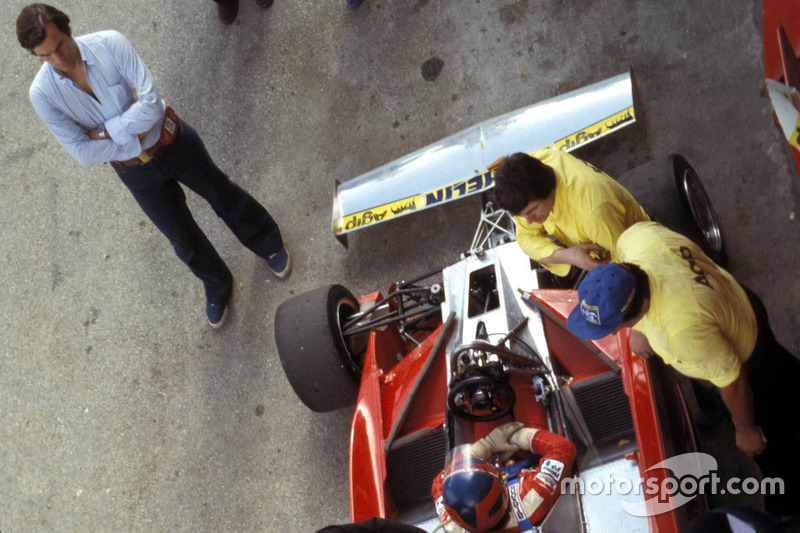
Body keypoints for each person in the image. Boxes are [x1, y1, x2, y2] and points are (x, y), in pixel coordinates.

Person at [17, 4, 290, 329]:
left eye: (59, 45)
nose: (58, 59)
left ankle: (267, 241)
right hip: (134, 172)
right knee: (181, 237)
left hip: (172, 142)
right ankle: (217, 284)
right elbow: (82, 154)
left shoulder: (110, 44)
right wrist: (129, 126)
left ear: (68, 30)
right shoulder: (43, 94)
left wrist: (103, 131)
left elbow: (150, 105)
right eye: (45, 55)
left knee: (222, 194)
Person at [566, 221, 800, 520]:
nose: (613, 334)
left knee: (770, 436)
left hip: (747, 355)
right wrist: (640, 328)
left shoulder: (682, 331)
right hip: (738, 302)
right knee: (786, 375)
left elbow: (735, 382)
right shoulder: (636, 240)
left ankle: (788, 503)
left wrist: (746, 429)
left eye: (614, 327)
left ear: (640, 307)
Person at [491, 149, 649, 278]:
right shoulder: (531, 168)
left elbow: (629, 266)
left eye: (532, 210)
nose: (529, 222)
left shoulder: (593, 212)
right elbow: (526, 238)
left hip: (640, 248)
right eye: (521, 216)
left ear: (548, 189)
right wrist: (568, 256)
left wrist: (600, 270)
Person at [431, 422, 576, 532]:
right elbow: (562, 448)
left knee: (481, 419)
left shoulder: (452, 525)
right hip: (529, 460)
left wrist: (484, 447)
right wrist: (521, 437)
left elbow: (439, 482)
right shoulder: (532, 496)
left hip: (499, 462)